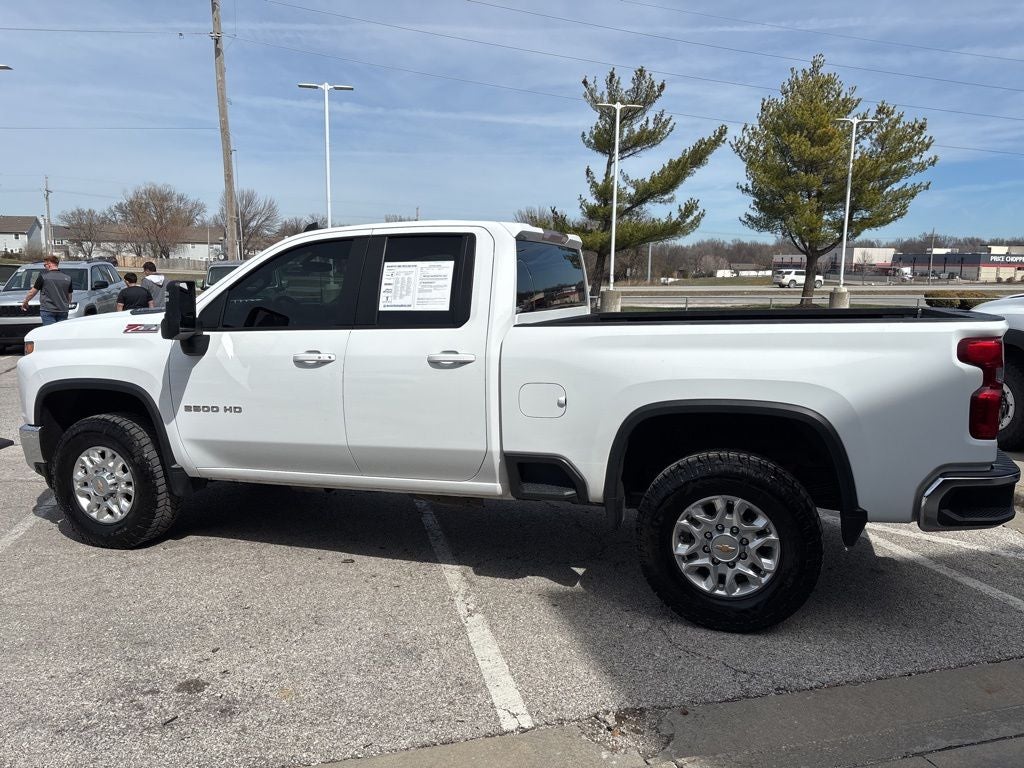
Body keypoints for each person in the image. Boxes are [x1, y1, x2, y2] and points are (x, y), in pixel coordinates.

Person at [21, 254, 73, 325]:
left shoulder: (43, 277)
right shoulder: (68, 278)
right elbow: (69, 297)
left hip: (48, 310)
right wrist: (66, 305)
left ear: (49, 264)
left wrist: (25, 301)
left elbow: (32, 292)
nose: (45, 267)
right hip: (63, 310)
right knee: (61, 332)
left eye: (44, 265)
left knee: (49, 332)